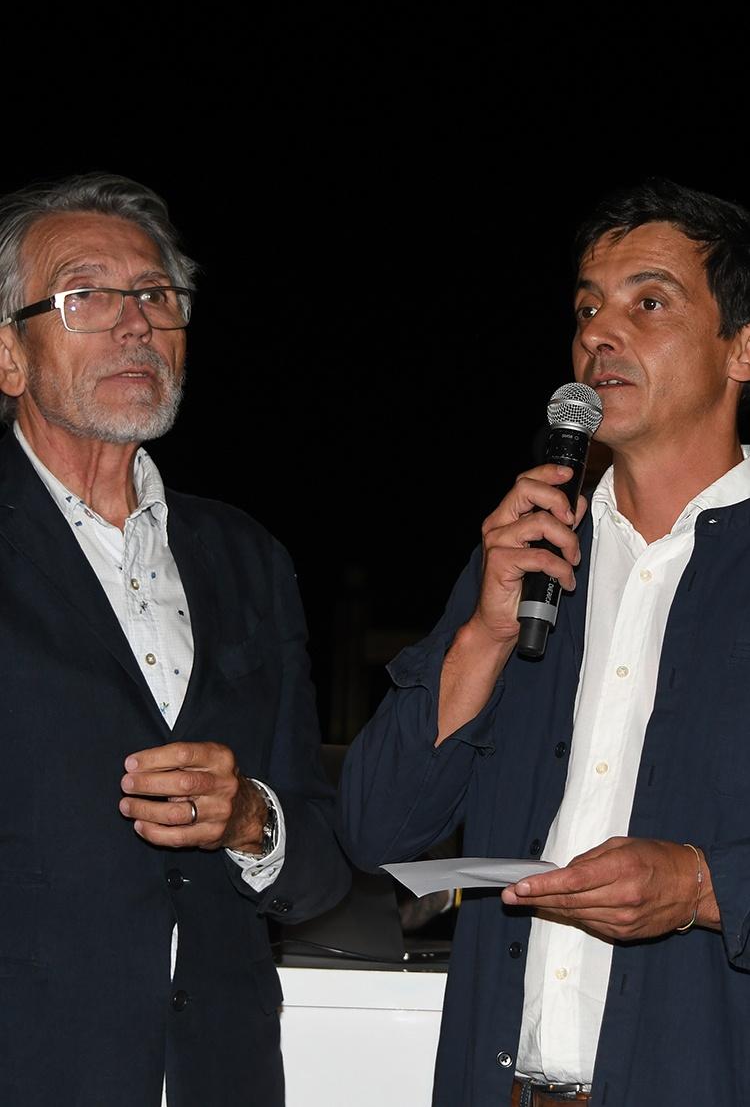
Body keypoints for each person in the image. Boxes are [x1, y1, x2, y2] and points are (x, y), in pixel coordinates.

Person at [336, 176, 750, 1106]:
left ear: (743, 347)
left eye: (649, 303)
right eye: (587, 309)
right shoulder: (527, 557)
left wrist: (702, 886)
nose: (601, 333)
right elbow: (375, 830)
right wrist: (485, 632)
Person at [0, 171, 351, 1107]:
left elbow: (321, 859)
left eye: (156, 295)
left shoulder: (249, 558)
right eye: (86, 296)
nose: (135, 322)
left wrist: (250, 822)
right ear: (9, 356)